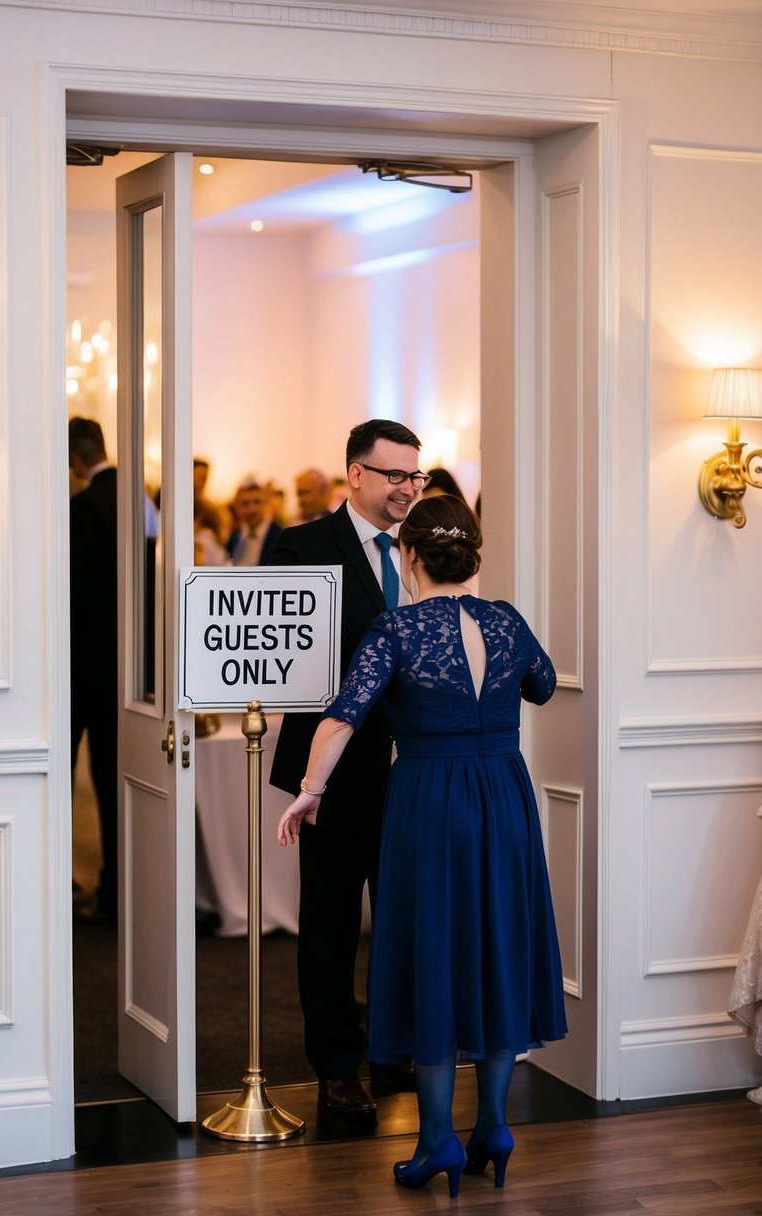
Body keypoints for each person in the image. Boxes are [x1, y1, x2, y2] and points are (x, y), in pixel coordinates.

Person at [277, 493, 567, 1195]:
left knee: (432, 953)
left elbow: (341, 717)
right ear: (475, 556)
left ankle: (436, 1138)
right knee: (498, 948)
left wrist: (310, 788)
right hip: (502, 797)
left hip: (428, 803)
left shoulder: (397, 630)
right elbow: (544, 685)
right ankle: (492, 1128)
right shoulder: (506, 622)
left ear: (409, 557)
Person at [269, 418, 428, 1116]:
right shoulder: (302, 546)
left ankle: (392, 1052)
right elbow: (287, 654)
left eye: (415, 476)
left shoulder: (425, 548)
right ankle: (336, 1066)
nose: (408, 489)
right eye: (396, 475)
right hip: (334, 771)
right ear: (356, 475)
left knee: (403, 920)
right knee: (330, 926)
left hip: (418, 769)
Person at [68, 417, 119, 924]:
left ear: (77, 459)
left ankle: (58, 877)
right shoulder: (142, 502)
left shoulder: (83, 507)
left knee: (63, 779)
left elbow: (72, 593)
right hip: (126, 671)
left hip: (81, 670)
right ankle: (117, 885)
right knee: (113, 780)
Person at [226, 480, 282, 566]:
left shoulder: (279, 536)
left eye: (257, 502)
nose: (252, 509)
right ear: (237, 507)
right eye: (245, 503)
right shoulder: (234, 535)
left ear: (265, 504)